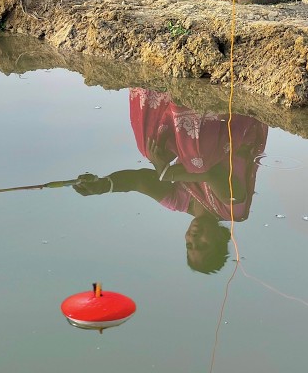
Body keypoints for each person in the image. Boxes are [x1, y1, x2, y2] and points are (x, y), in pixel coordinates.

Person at [72, 88, 269, 273]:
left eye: (189, 245)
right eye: (202, 245)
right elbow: (213, 174)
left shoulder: (179, 202)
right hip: (232, 128)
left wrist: (103, 185)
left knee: (149, 148)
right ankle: (190, 98)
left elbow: (138, 181)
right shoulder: (233, 211)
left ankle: (158, 90)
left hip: (203, 136)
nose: (193, 238)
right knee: (198, 161)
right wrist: (169, 173)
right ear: (220, 238)